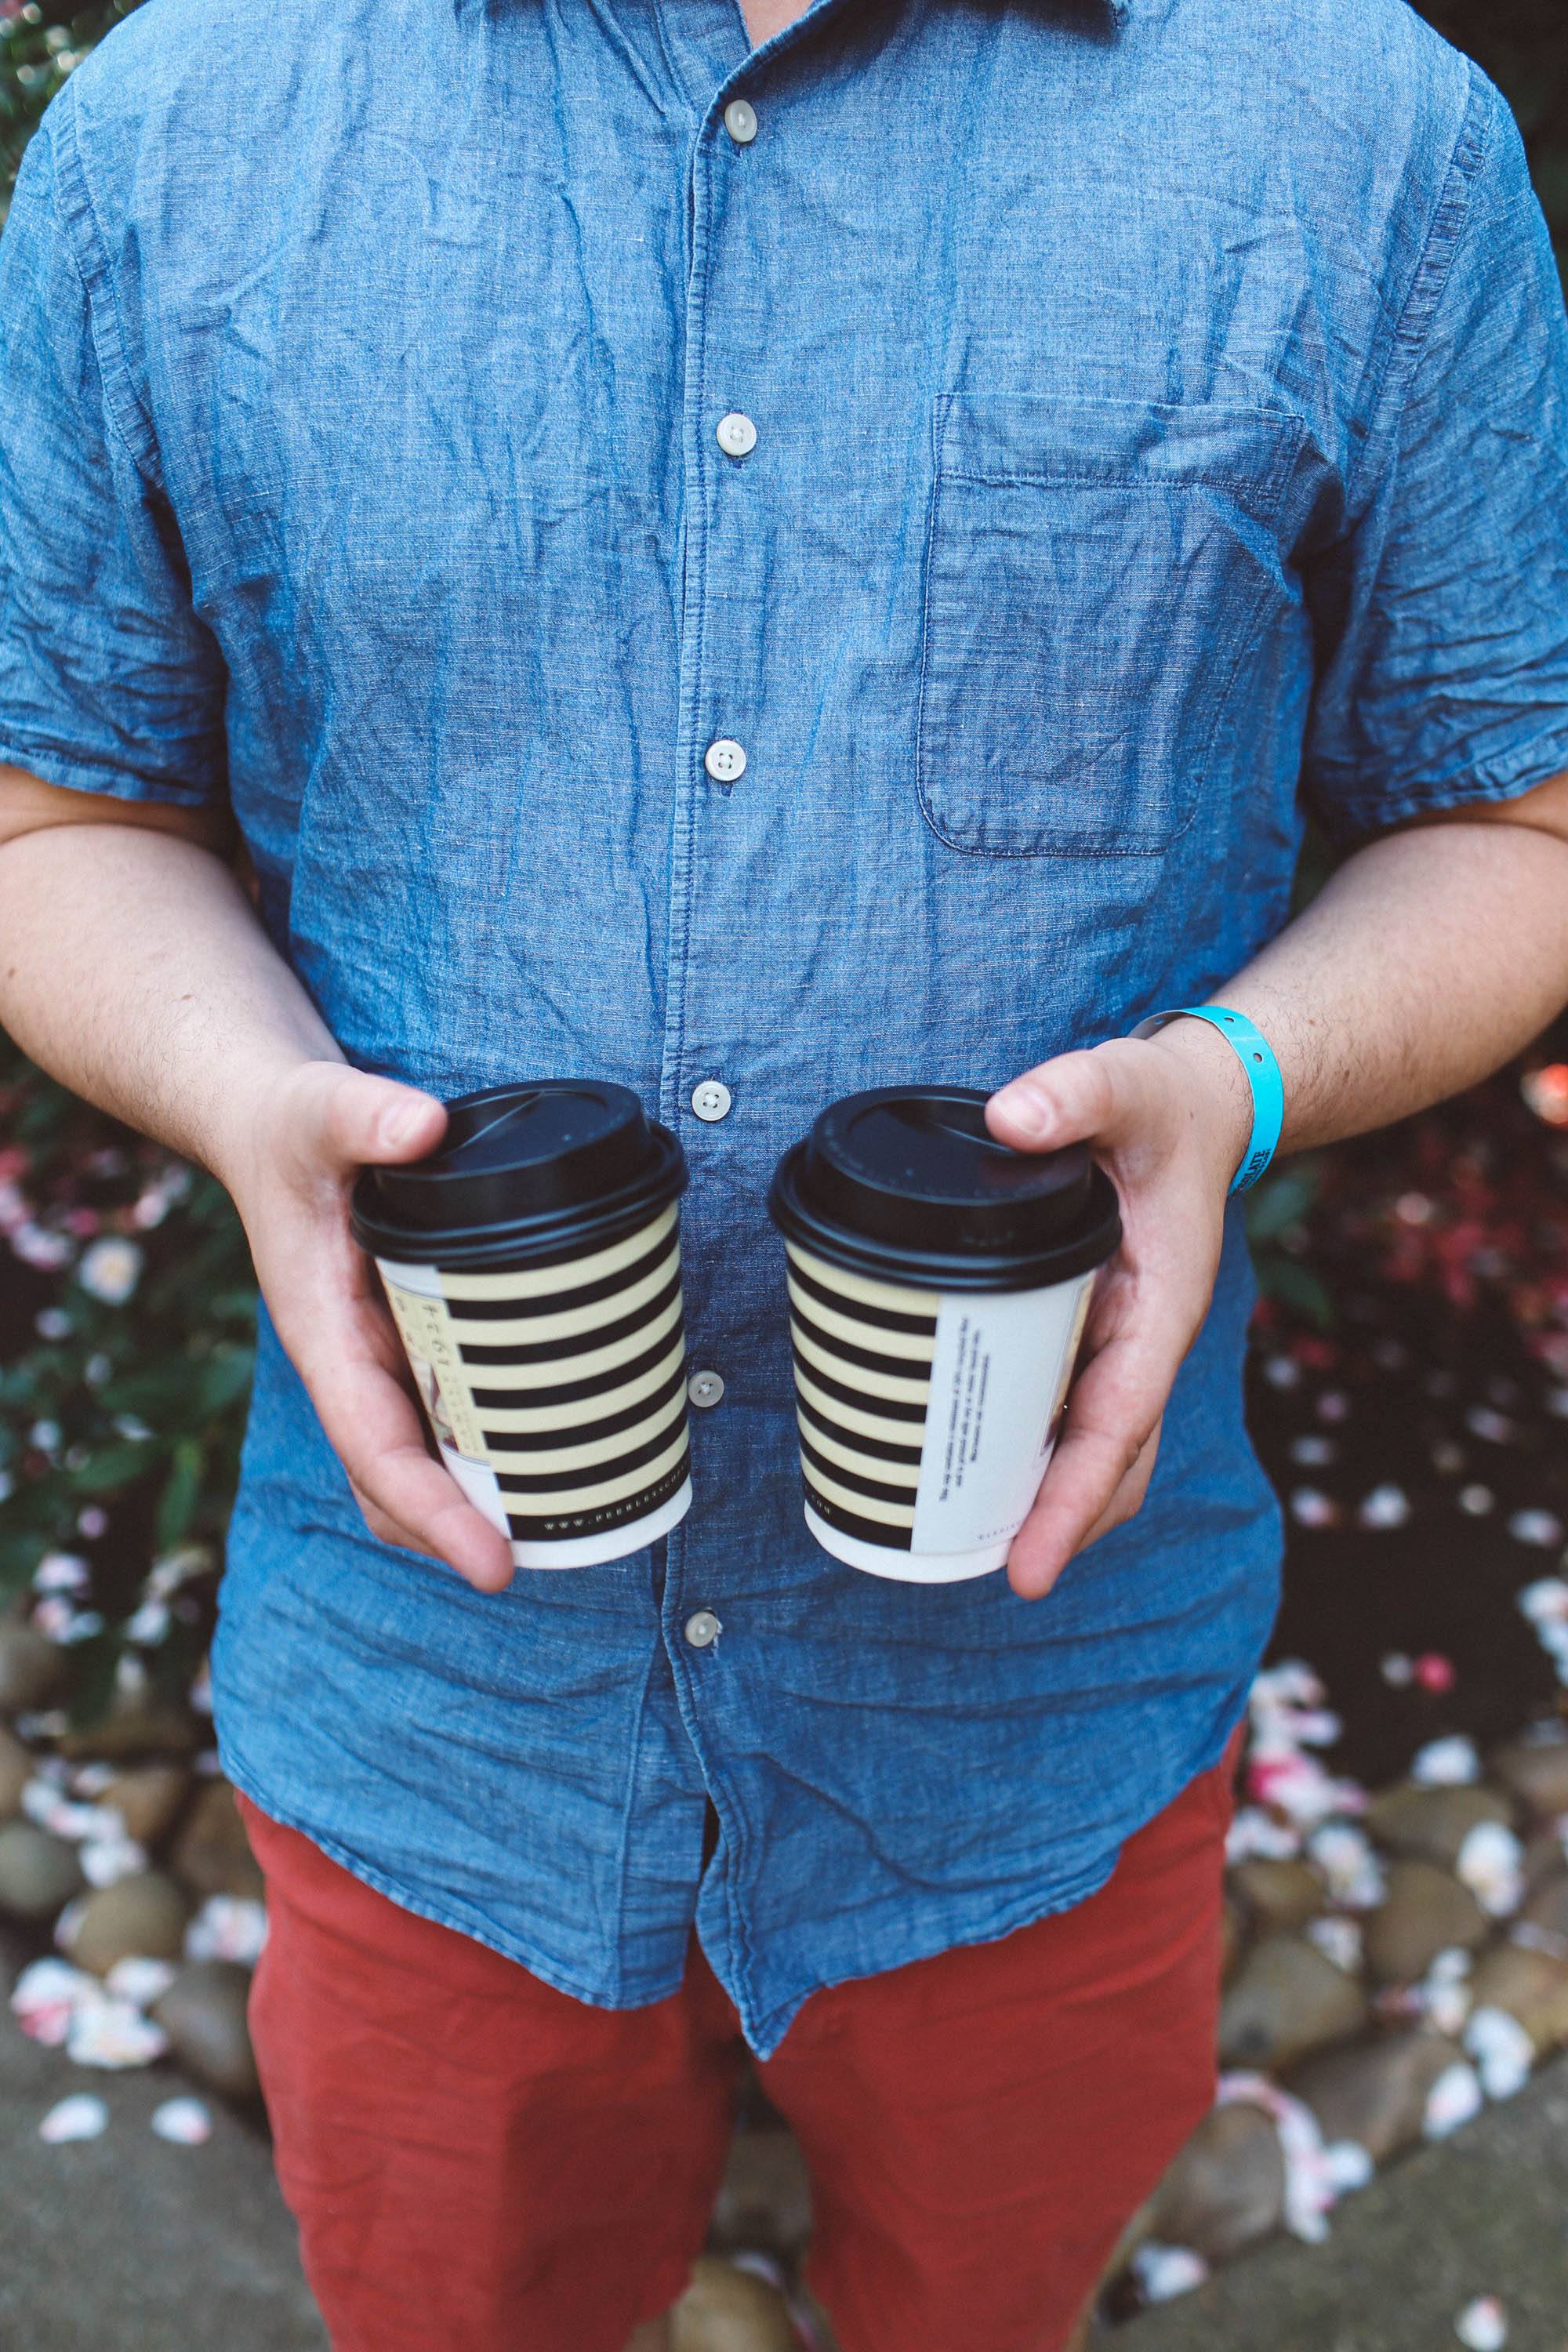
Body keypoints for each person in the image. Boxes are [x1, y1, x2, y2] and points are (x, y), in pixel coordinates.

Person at [2, 0, 1566, 2342]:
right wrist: (246, 1096)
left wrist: (1240, 1075)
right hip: (439, 1709)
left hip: (1051, 1704)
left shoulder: (1363, 130)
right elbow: (54, 801)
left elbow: (1516, 814)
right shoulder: (178, 128)